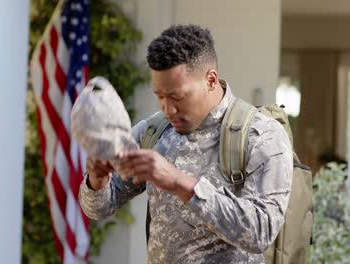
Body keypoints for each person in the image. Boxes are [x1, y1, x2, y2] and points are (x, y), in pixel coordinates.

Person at [78, 24, 293, 264]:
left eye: (177, 97)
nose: (168, 109)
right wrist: (97, 180)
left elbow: (260, 233)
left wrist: (179, 182)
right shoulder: (153, 132)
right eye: (159, 96)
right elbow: (98, 209)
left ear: (210, 80)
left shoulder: (261, 135)